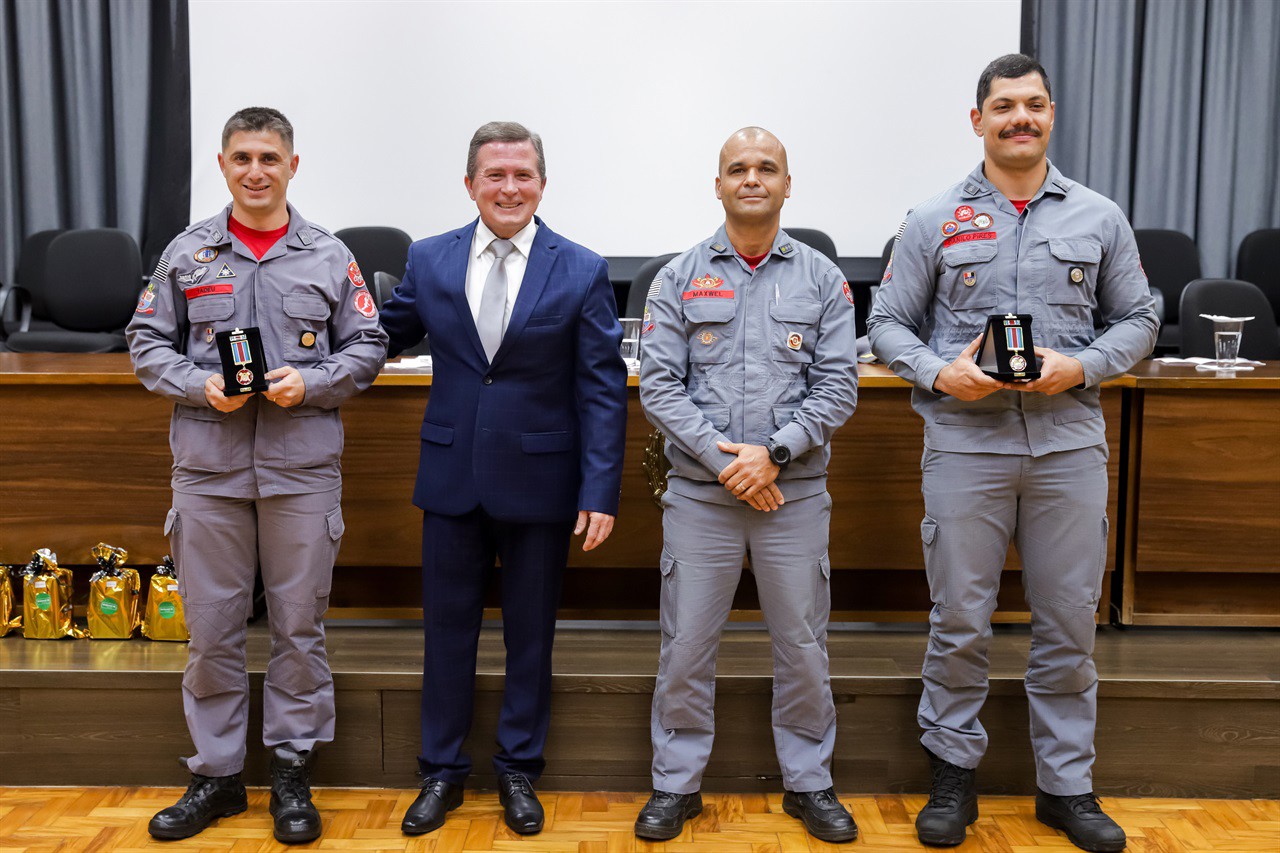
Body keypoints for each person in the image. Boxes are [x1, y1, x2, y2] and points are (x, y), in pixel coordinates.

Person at [867, 54, 1158, 852]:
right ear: (978, 120)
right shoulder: (933, 219)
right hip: (966, 447)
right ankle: (952, 776)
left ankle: (1066, 788)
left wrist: (1083, 365)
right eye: (1003, 106)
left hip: (1068, 448)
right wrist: (940, 372)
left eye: (1033, 104)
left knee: (1068, 622)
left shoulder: (1099, 216)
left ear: (1051, 114)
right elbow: (886, 323)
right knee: (960, 619)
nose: (1019, 117)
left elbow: (1140, 318)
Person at [128, 107, 388, 844]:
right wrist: (196, 384)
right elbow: (145, 341)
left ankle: (292, 772)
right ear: (222, 165)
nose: (255, 171)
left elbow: (369, 343)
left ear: (292, 166)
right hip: (208, 472)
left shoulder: (328, 255)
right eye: (242, 157)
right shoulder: (187, 254)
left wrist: (314, 381)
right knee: (212, 630)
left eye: (269, 157)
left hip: (301, 469)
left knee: (299, 627)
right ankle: (216, 775)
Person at [379, 121, 628, 837]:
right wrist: (307, 346)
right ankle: (441, 771)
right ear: (470, 184)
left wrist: (599, 490)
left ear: (542, 184)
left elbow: (602, 389)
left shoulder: (580, 268)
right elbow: (379, 335)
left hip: (541, 483)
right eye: (495, 175)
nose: (509, 188)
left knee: (531, 636)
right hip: (451, 477)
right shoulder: (429, 258)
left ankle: (519, 767)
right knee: (445, 634)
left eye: (523, 175)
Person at [635, 127, 859, 844]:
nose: (752, 178)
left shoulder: (822, 279)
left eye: (767, 168)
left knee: (802, 646)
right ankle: (675, 784)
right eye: (738, 168)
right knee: (686, 646)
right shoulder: (678, 278)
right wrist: (729, 462)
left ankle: (810, 781)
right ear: (719, 185)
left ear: (788, 184)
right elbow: (659, 388)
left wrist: (776, 454)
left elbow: (840, 386)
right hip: (702, 498)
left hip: (793, 495)